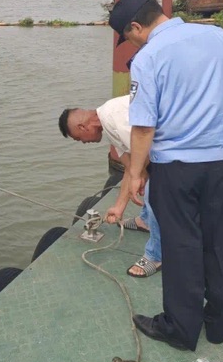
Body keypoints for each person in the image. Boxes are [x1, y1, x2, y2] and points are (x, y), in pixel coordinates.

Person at [109, 0, 223, 351]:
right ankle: (219, 321)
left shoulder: (149, 57)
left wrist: (134, 173)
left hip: (176, 167)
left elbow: (143, 127)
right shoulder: (216, 35)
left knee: (181, 244)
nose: (131, 45)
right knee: (219, 239)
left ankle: (181, 327)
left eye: (127, 37)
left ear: (135, 26)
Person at [58, 96, 162, 277]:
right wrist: (119, 207)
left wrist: (140, 174)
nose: (83, 142)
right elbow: (130, 167)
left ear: (83, 127)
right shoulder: (109, 126)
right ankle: (145, 221)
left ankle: (156, 255)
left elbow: (144, 148)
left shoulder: (114, 116)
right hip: (156, 149)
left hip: (173, 147)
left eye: (78, 138)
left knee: (156, 194)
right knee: (142, 175)